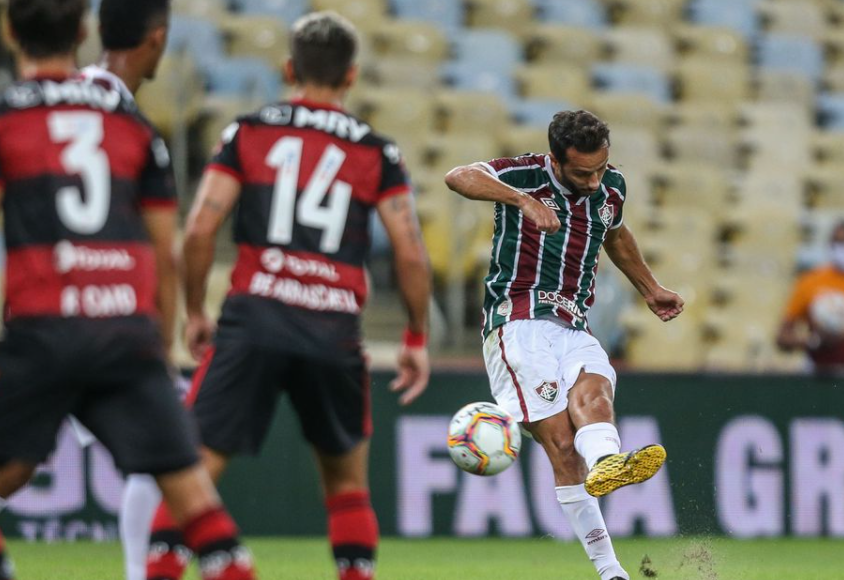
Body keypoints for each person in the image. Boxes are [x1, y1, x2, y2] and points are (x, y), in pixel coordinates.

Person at [0, 1, 256, 579]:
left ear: (9, 31)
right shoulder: (131, 121)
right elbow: (163, 250)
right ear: (84, 32)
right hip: (125, 330)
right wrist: (158, 343)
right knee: (195, 505)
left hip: (46, 329)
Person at [146, 11, 432, 580]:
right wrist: (416, 335)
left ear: (287, 69)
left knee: (191, 472)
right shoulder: (377, 152)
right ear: (351, 76)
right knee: (347, 487)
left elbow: (200, 230)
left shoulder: (248, 131)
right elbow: (409, 249)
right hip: (334, 328)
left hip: (254, 316)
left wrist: (197, 311)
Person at [444, 110, 683, 580]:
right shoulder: (526, 174)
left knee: (595, 396)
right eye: (581, 172)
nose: (593, 181)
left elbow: (614, 232)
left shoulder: (611, 186)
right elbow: (458, 177)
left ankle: (609, 464)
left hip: (574, 323)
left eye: (599, 168)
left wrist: (650, 287)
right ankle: (611, 570)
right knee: (561, 445)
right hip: (517, 322)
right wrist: (521, 202)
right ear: (555, 160)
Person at [777, 220, 844, 373]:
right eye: (839, 242)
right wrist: (815, 341)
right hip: (820, 369)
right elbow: (782, 337)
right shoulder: (811, 281)